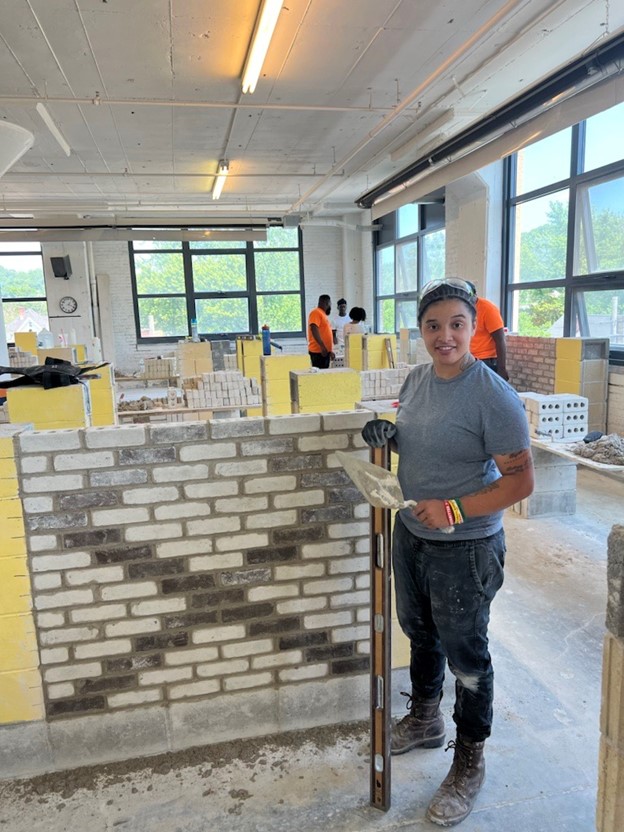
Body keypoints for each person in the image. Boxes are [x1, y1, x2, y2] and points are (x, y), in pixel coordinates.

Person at [361, 277, 534, 827]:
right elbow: (417, 435)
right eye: (433, 326)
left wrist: (455, 509)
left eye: (456, 324)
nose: (444, 336)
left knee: (468, 656)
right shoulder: (415, 380)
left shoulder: (493, 395)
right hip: (412, 533)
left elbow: (521, 482)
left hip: (467, 546)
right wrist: (387, 434)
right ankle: (427, 718)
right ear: (422, 331)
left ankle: (468, 760)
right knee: (420, 631)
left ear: (474, 327)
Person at [466, 281, 509, 380]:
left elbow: (500, 340)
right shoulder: (463, 309)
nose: (466, 301)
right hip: (469, 359)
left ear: (475, 294)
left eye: (469, 297)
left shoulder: (488, 309)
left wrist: (501, 369)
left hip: (486, 361)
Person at [307, 294, 335, 369]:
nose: (330, 306)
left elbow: (324, 332)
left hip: (324, 352)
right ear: (327, 303)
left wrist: (330, 350)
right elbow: (314, 328)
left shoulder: (322, 314)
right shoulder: (316, 312)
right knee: (320, 377)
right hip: (318, 352)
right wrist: (322, 346)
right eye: (330, 304)